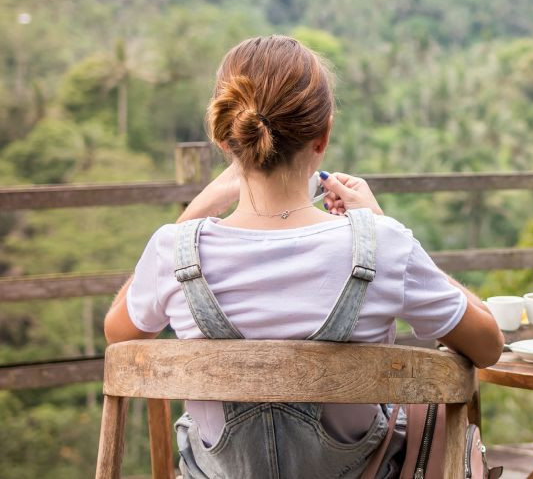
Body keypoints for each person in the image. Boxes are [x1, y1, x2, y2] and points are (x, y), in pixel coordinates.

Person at [103, 35, 504, 479]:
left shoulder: (172, 251)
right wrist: (379, 224)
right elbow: (488, 345)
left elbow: (118, 335)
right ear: (323, 135)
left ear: (226, 139)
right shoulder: (384, 245)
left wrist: (197, 208)